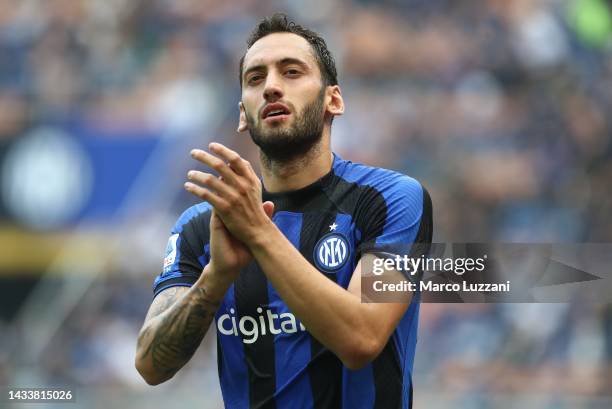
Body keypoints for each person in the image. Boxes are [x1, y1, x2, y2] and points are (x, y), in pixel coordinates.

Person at [135, 13, 432, 408]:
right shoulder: (202, 227)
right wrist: (217, 276)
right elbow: (151, 366)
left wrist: (259, 233)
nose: (272, 86)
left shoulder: (389, 199)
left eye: (291, 72)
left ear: (334, 100)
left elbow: (362, 339)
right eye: (255, 79)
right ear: (243, 113)